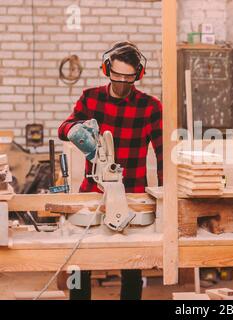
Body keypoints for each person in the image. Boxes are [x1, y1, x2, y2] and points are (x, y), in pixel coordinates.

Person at [58, 41, 163, 300]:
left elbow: (162, 154)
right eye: (117, 75)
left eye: (129, 77)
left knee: (132, 264)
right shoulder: (91, 97)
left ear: (138, 75)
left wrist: (164, 198)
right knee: (80, 260)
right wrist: (73, 129)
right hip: (92, 192)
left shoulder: (150, 106)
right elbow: (64, 128)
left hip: (134, 194)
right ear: (107, 70)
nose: (122, 82)